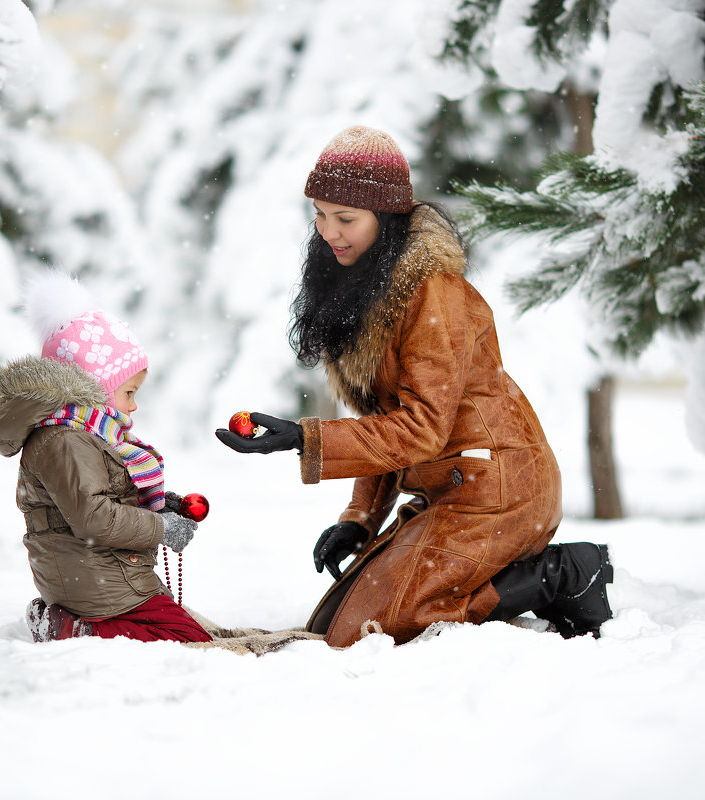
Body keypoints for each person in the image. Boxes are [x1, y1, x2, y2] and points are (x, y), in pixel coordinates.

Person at [216, 125, 613, 647]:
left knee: (375, 629)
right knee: (332, 622)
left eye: (345, 219)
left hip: (497, 488)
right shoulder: (367, 282)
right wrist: (359, 519)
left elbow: (421, 427)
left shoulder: (434, 293)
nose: (328, 231)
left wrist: (304, 438)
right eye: (319, 214)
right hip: (448, 486)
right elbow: (386, 420)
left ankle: (560, 573)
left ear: (387, 219)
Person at [0, 271, 212, 644]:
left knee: (185, 629)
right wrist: (162, 528)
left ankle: (85, 624)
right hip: (94, 577)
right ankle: (80, 629)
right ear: (98, 388)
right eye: (128, 391)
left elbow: (108, 496)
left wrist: (160, 507)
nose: (134, 404)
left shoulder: (85, 432)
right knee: (186, 640)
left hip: (98, 571)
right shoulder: (65, 439)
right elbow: (94, 518)